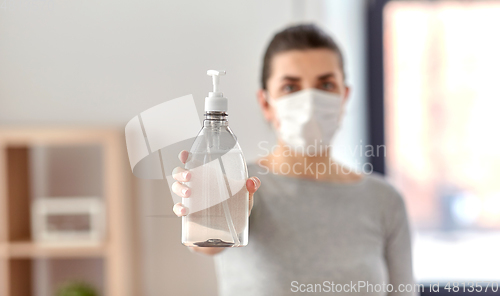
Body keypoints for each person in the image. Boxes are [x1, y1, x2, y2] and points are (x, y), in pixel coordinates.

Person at [171, 24, 415, 296]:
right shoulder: (241, 185)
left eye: (325, 85)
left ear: (344, 97)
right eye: (290, 86)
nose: (309, 101)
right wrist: (204, 205)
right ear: (266, 103)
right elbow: (207, 243)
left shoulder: (384, 201)